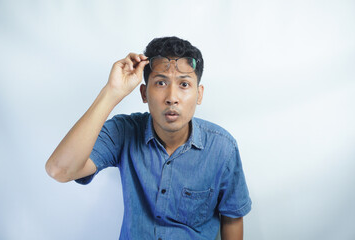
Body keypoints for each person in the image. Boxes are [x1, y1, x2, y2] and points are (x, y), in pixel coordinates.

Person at [45, 36, 252, 240]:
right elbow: (59, 170)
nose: (172, 97)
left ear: (199, 94)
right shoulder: (123, 131)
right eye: (161, 83)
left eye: (184, 84)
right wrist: (112, 92)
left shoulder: (223, 148)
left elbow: (232, 219)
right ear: (144, 93)